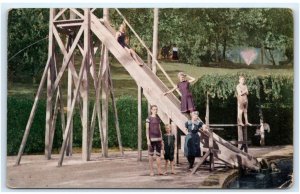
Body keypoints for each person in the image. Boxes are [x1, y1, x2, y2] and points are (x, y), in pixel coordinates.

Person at [146, 105, 163, 176]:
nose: (155, 110)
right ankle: (151, 171)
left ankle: (159, 170)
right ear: (151, 110)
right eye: (154, 109)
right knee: (151, 156)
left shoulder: (158, 118)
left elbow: (160, 129)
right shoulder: (148, 118)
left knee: (158, 155)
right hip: (151, 139)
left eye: (156, 109)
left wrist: (161, 139)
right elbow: (147, 130)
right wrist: (148, 140)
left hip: (158, 139)